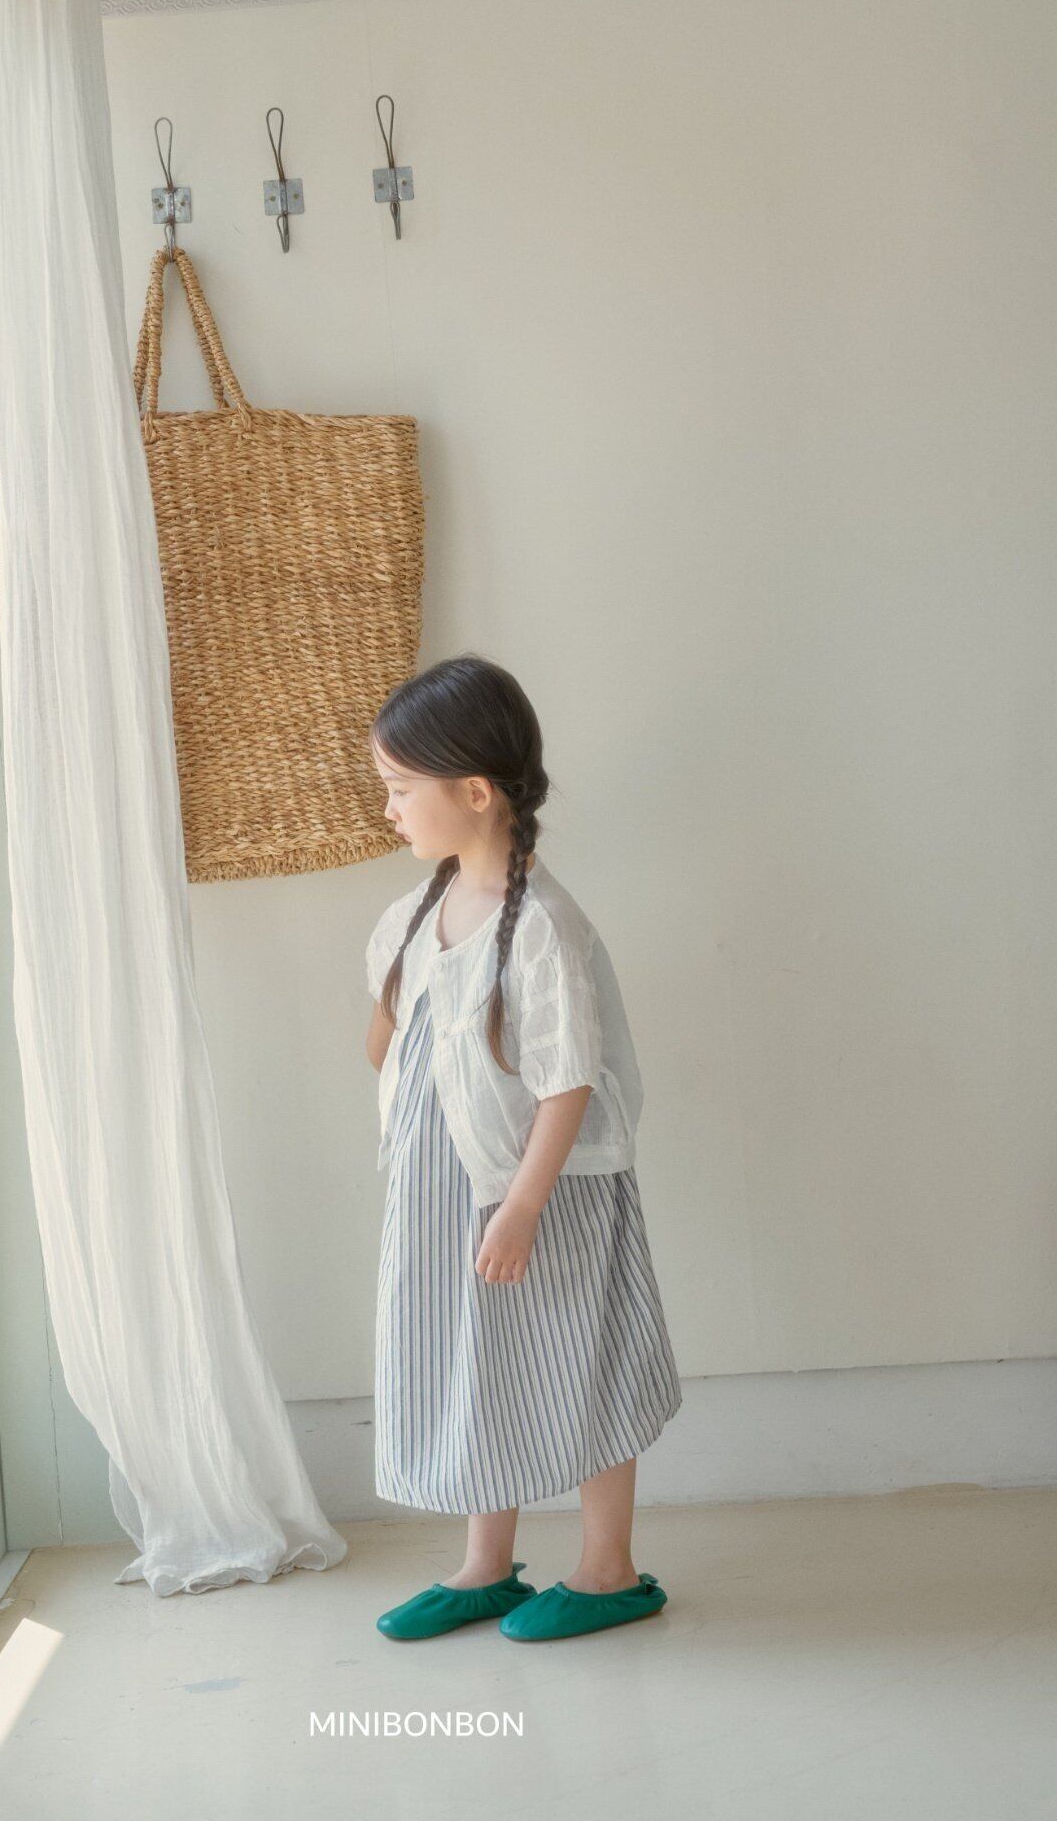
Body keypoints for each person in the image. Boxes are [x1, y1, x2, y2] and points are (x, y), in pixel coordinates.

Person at [363, 654, 682, 1643]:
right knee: (478, 1359)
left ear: (473, 792)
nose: (388, 809)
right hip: (449, 1185)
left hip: (543, 1187)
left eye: (399, 788)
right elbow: (393, 1036)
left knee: (579, 1356)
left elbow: (566, 1079)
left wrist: (524, 1205)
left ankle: (608, 1569)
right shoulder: (418, 911)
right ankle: (486, 1564)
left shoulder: (542, 924)